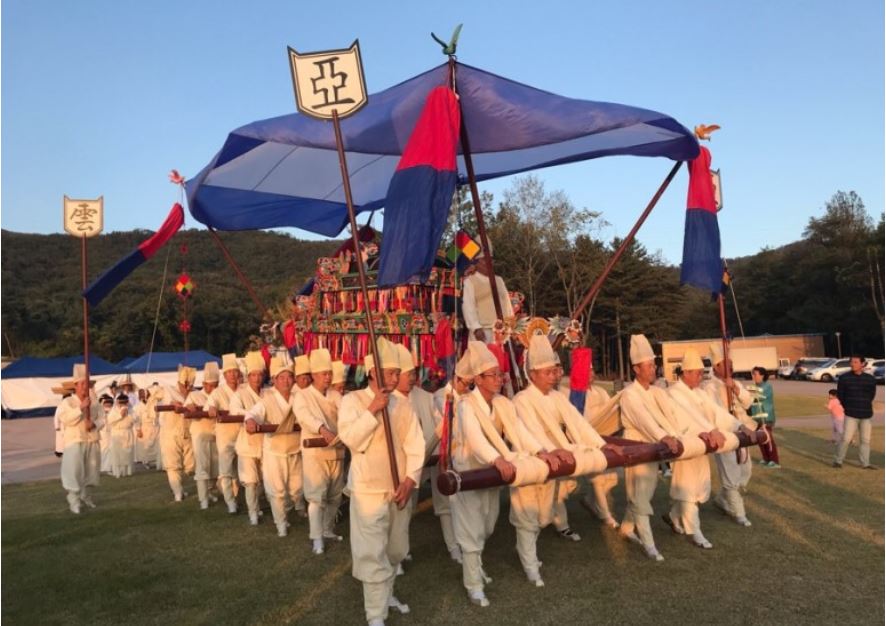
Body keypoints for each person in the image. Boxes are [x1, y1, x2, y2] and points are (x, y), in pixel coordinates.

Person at [450, 341, 561, 605]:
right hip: (469, 474)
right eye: (493, 375)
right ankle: (474, 584)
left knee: (487, 526)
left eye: (500, 374)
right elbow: (475, 440)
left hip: (493, 473)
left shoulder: (502, 403)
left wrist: (540, 451)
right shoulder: (466, 405)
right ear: (477, 379)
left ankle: (476, 568)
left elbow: (519, 431)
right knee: (471, 531)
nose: (499, 379)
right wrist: (496, 458)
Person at [338, 338, 425, 626]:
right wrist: (373, 409)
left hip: (399, 488)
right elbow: (350, 439)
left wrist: (411, 478)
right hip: (368, 490)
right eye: (389, 372)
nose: (394, 377)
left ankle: (386, 596)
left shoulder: (402, 405)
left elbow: (415, 444)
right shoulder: (352, 401)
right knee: (372, 553)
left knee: (396, 549)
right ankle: (375, 616)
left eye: (395, 372)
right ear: (373, 372)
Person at [514, 335, 610, 544]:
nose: (553, 377)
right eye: (548, 373)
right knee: (533, 506)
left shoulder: (557, 397)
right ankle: (530, 544)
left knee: (558, 493)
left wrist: (602, 445)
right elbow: (531, 430)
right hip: (535, 455)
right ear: (532, 374)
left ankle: (561, 525)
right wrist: (549, 450)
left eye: (554, 372)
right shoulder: (522, 399)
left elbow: (578, 422)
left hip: (560, 452)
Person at [392, 344, 460, 565]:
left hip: (433, 458)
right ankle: (398, 553)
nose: (412, 378)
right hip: (407, 465)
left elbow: (439, 421)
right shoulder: (390, 401)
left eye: (414, 373)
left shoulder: (425, 396)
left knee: (445, 503)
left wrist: (443, 439)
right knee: (403, 508)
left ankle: (454, 548)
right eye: (408, 374)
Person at [618, 335, 681, 561]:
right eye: (649, 365)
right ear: (636, 368)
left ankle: (626, 528)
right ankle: (649, 544)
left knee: (644, 492)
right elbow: (644, 420)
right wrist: (664, 437)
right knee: (640, 496)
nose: (654, 369)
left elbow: (671, 416)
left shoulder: (656, 392)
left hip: (654, 447)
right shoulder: (629, 394)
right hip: (636, 448)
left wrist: (679, 436)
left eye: (654, 364)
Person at [664, 349, 731, 549]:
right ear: (685, 373)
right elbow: (686, 418)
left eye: (702, 373)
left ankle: (674, 516)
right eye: (697, 373)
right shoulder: (674, 393)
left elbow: (717, 413)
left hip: (702, 446)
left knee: (697, 487)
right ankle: (696, 533)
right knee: (687, 490)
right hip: (685, 444)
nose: (700, 377)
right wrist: (706, 430)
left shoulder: (700, 393)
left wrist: (738, 426)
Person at [245, 355, 304, 537]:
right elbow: (254, 413)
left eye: (289, 377)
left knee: (297, 487)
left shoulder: (299, 397)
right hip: (274, 452)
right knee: (276, 490)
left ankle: (290, 511)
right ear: (275, 380)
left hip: (295, 450)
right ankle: (281, 524)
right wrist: (251, 421)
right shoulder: (268, 399)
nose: (286, 381)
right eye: (282, 377)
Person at [295, 348, 346, 555]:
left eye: (329, 373)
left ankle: (327, 529)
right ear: (314, 375)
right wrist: (321, 429)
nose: (328, 377)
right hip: (315, 453)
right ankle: (316, 537)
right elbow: (303, 416)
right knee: (316, 497)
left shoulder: (335, 395)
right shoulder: (302, 396)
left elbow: (346, 413)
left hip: (336, 451)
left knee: (335, 496)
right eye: (324, 374)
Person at [702, 343, 757, 527]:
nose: (730, 366)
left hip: (742, 432)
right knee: (730, 472)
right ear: (717, 366)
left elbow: (749, 402)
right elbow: (715, 412)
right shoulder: (709, 386)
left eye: (731, 362)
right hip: (725, 434)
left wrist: (734, 388)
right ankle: (738, 511)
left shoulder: (736, 382)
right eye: (726, 363)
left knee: (746, 469)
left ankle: (721, 498)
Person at [569, 352, 622, 529]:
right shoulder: (575, 395)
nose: (590, 374)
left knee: (612, 478)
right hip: (587, 440)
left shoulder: (600, 392)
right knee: (599, 478)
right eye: (587, 371)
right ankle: (605, 514)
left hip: (604, 437)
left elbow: (610, 410)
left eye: (592, 371)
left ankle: (590, 501)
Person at [56, 364, 103, 513]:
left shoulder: (95, 402)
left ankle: (86, 495)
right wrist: (80, 409)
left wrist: (94, 424)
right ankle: (74, 499)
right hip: (75, 440)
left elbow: (104, 418)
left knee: (91, 469)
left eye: (87, 384)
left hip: (91, 439)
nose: (84, 387)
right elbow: (66, 419)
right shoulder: (68, 402)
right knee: (74, 470)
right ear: (76, 385)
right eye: (82, 384)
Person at [231, 351, 267, 526]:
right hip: (247, 443)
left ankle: (257, 506)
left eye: (260, 375)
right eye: (254, 375)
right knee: (250, 481)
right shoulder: (240, 394)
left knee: (263, 480)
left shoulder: (268, 393)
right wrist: (251, 417)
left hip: (265, 443)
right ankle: (253, 513)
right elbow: (234, 410)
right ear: (248, 376)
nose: (257, 378)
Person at [206, 354, 243, 514]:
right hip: (226, 436)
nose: (233, 375)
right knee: (226, 470)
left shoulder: (244, 390)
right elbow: (210, 406)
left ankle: (245, 498)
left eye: (235, 372)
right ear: (224, 375)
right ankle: (230, 502)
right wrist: (212, 409)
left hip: (243, 434)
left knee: (245, 470)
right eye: (229, 372)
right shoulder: (218, 392)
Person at [157, 365, 197, 502]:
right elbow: (159, 403)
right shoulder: (168, 391)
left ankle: (181, 486)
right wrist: (172, 404)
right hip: (170, 434)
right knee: (173, 465)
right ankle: (178, 492)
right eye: (184, 384)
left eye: (189, 385)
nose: (186, 388)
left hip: (188, 434)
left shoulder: (194, 395)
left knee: (191, 466)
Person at [833, 355, 878, 469]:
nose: (852, 364)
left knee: (865, 440)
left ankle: (865, 463)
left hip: (866, 414)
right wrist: (848, 407)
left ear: (862, 364)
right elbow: (840, 396)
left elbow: (871, 395)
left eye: (856, 362)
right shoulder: (844, 378)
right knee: (846, 439)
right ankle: (838, 461)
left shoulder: (870, 379)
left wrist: (865, 403)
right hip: (851, 414)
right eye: (851, 362)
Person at [186, 363, 220, 510]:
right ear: (204, 384)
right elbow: (187, 408)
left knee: (215, 466)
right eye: (209, 385)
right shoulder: (194, 395)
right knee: (202, 465)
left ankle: (210, 491)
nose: (211, 388)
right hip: (200, 434)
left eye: (215, 385)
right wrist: (190, 407)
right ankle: (203, 499)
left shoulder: (219, 395)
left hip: (216, 433)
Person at [461, 250, 514, 343]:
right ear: (477, 262)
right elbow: (468, 306)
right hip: (482, 332)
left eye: (491, 259)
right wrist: (476, 328)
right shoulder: (470, 281)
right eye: (485, 260)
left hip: (502, 332)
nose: (489, 262)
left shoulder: (499, 280)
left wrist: (511, 325)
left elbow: (507, 303)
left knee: (500, 357)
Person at [750, 366, 779, 468]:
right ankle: (766, 458)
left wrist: (749, 395)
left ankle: (774, 460)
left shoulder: (767, 386)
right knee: (760, 438)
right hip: (756, 417)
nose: (753, 376)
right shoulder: (754, 386)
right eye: (753, 374)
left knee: (768, 438)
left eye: (756, 374)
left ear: (762, 375)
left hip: (766, 417)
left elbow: (759, 397)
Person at [107, 393, 135, 478]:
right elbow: (110, 421)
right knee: (117, 453)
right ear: (118, 402)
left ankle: (127, 472)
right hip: (117, 433)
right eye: (121, 403)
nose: (123, 405)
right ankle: (118, 472)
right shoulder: (113, 411)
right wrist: (120, 415)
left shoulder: (131, 410)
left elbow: (135, 419)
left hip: (127, 432)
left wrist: (128, 414)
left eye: (124, 402)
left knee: (128, 453)